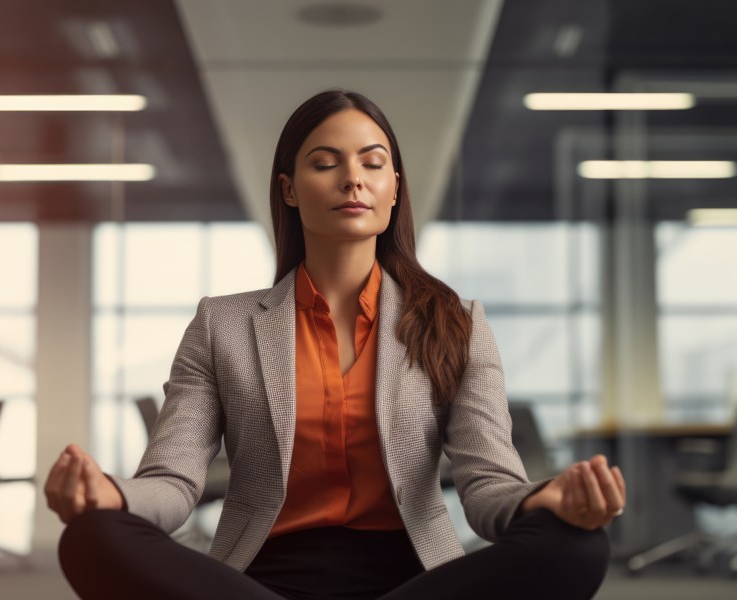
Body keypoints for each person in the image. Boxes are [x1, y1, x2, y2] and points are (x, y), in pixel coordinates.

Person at [45, 89, 625, 600]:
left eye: (373, 164)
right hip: (258, 577)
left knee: (576, 547)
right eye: (325, 164)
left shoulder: (456, 322)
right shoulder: (221, 325)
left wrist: (542, 501)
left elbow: (488, 485)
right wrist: (111, 497)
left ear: (393, 187)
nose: (353, 179)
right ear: (290, 190)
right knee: (93, 537)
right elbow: (173, 482)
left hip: (415, 578)